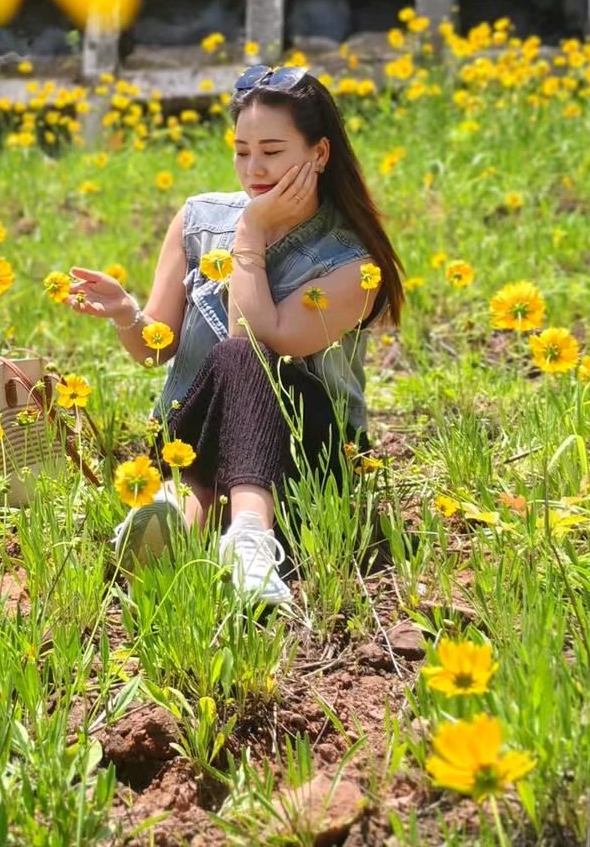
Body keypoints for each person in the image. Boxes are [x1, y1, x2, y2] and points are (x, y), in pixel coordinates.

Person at [66, 65, 404, 610]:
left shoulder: (351, 264)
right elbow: (155, 349)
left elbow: (259, 340)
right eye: (241, 151)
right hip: (198, 434)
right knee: (213, 421)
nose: (254, 169)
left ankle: (234, 532)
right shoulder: (198, 220)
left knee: (242, 354)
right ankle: (208, 541)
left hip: (310, 452)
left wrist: (251, 232)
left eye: (271, 151)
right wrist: (126, 313)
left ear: (319, 154)